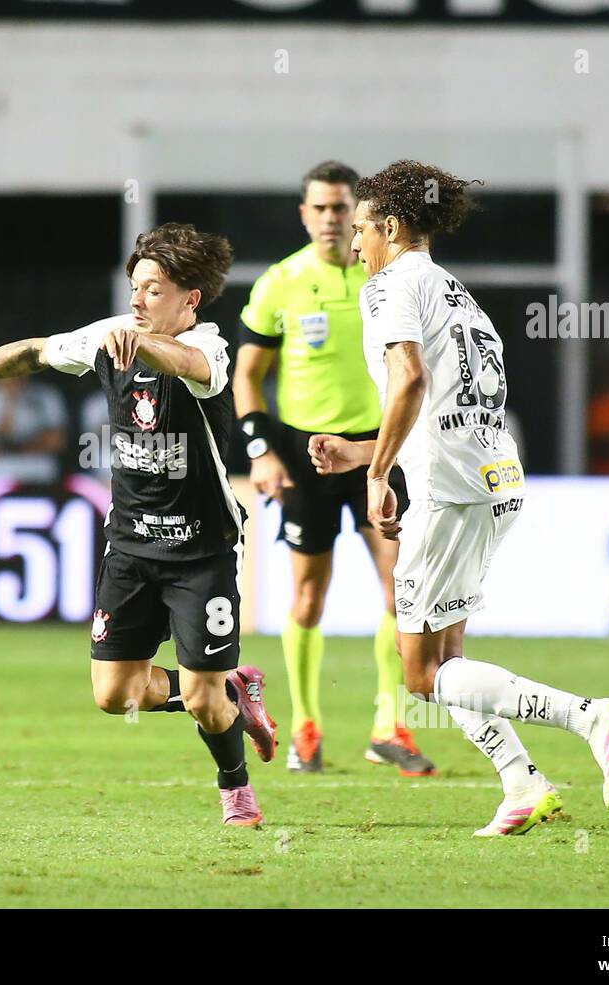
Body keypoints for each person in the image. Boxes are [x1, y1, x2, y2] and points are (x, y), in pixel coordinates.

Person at [0, 223, 278, 826]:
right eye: (135, 287)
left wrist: (139, 345)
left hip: (202, 552)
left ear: (190, 299)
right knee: (115, 696)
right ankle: (231, 687)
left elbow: (189, 362)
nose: (136, 301)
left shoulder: (210, 348)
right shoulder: (109, 338)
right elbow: (33, 351)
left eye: (153, 290)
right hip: (131, 546)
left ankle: (235, 790)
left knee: (205, 704)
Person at [309, 162, 609, 835]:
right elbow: (446, 409)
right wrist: (361, 451)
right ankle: (522, 783)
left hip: (448, 492)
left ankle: (588, 715)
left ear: (391, 228)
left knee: (422, 674)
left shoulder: (391, 286)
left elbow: (409, 380)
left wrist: (377, 476)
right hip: (491, 480)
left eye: (364, 230)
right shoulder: (459, 296)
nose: (355, 245)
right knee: (448, 654)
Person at [236, 159, 433, 776]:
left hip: (381, 449)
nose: (331, 217)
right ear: (305, 213)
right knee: (307, 596)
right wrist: (261, 451)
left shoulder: (390, 279)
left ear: (361, 213)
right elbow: (246, 374)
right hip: (303, 456)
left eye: (342, 207)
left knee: (400, 586)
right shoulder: (280, 283)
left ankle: (388, 724)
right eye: (319, 207)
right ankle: (305, 727)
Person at [0, 376, 67, 483]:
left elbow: (56, 442)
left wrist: (13, 447)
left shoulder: (47, 395)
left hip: (40, 475)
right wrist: (10, 402)